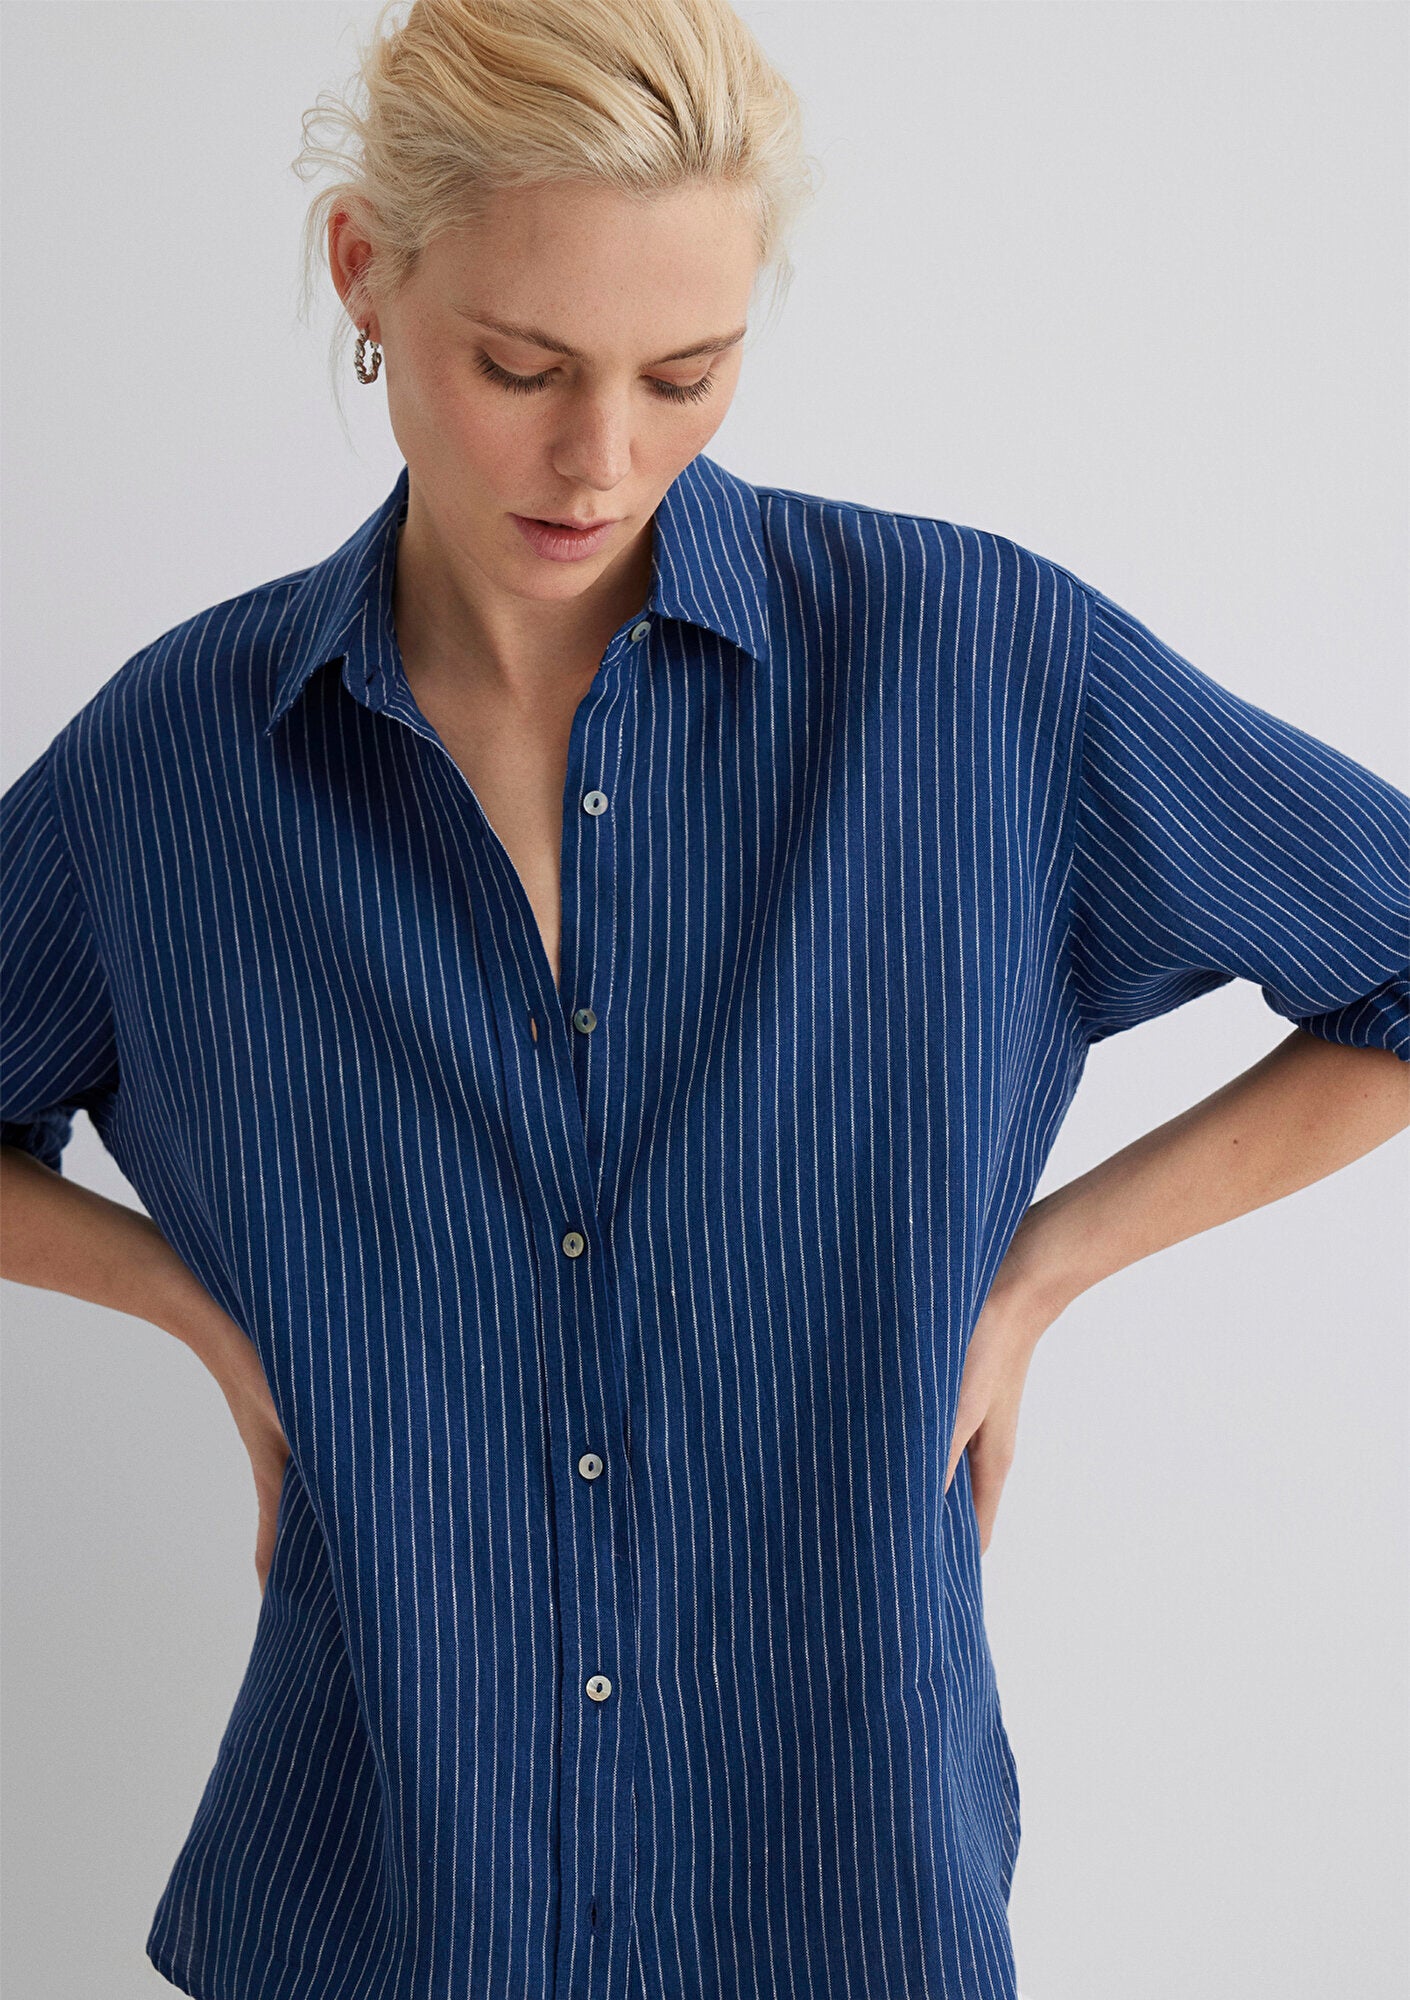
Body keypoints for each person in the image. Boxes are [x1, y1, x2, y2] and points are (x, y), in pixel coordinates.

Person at [1, 1, 1406, 1996]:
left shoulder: (970, 672)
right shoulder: (179, 766)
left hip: (840, 1890)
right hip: (385, 1907)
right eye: (520, 366)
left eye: (687, 373)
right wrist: (205, 1318)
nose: (604, 458)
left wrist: (1035, 1273)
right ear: (364, 273)